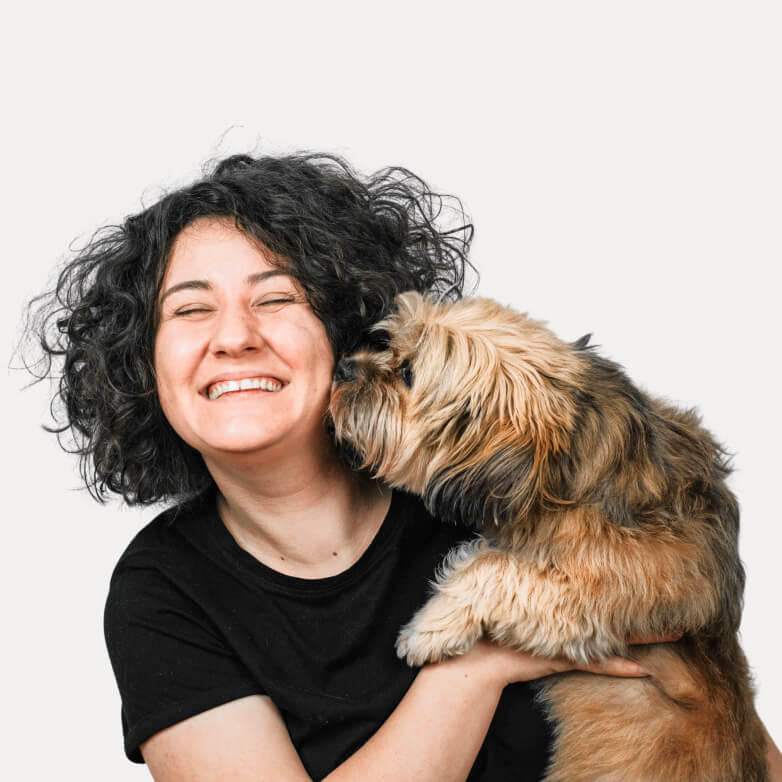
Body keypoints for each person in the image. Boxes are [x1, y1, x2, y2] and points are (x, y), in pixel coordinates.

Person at [29, 152, 782, 781]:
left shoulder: (488, 479)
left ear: (342, 324)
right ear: (141, 363)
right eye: (191, 309)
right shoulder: (163, 592)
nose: (234, 337)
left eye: (277, 298)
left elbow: (720, 709)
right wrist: (476, 665)